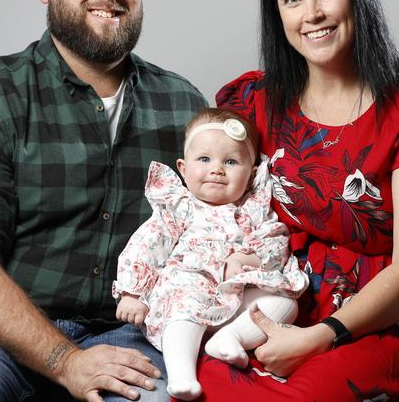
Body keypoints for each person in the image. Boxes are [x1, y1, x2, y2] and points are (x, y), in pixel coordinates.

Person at [183, 0, 399, 401]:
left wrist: (322, 336)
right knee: (203, 381)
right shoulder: (254, 103)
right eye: (292, 0)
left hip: (384, 320)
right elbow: (215, 199)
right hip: (280, 301)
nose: (312, 14)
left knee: (307, 395)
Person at [0, 0, 206, 401]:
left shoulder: (184, 106)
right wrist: (64, 360)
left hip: (131, 333)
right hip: (1, 333)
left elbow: (211, 233)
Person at [113, 108, 308, 400]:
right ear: (182, 167)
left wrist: (248, 260)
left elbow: (275, 242)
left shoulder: (254, 210)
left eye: (231, 161)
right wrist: (132, 292)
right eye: (204, 159)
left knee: (284, 302)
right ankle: (181, 375)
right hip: (189, 289)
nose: (217, 169)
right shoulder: (180, 208)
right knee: (183, 304)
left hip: (238, 296)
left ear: (251, 173)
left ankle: (230, 338)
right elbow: (146, 245)